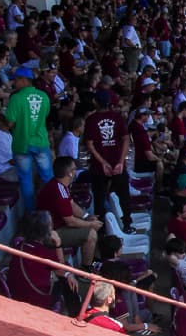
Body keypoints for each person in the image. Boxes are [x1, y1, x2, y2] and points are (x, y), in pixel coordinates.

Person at [36, 156, 102, 269]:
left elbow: (72, 204)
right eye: (74, 169)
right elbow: (70, 221)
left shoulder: (60, 185)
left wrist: (87, 217)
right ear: (70, 173)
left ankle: (96, 261)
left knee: (92, 225)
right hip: (50, 233)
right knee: (91, 234)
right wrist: (91, 224)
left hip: (58, 227)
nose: (76, 171)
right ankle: (86, 271)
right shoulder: (58, 190)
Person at [84, 89, 133, 232]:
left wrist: (102, 162)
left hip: (99, 166)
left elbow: (89, 144)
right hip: (116, 163)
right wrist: (120, 161)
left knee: (99, 198)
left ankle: (101, 230)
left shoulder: (91, 119)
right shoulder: (117, 117)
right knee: (124, 195)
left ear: (95, 102)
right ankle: (127, 225)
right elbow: (126, 140)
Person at [5, 66, 52, 211]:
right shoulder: (44, 96)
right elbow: (45, 116)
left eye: (16, 80)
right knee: (48, 179)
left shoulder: (16, 98)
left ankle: (32, 214)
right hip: (41, 142)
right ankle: (52, 211)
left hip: (22, 144)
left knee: (26, 180)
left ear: (24, 80)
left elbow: (10, 123)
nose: (14, 83)